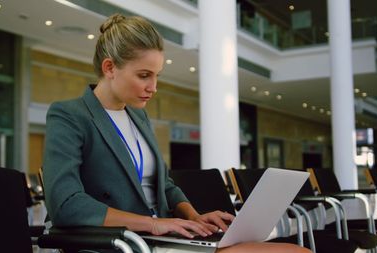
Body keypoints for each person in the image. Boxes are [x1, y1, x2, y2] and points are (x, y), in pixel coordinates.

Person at [43, 13, 310, 253]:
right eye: (144, 75)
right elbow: (66, 204)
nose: (153, 86)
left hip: (165, 238)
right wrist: (153, 224)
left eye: (157, 75)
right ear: (110, 68)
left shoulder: (138, 115)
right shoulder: (70, 115)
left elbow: (165, 185)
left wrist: (194, 217)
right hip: (121, 242)